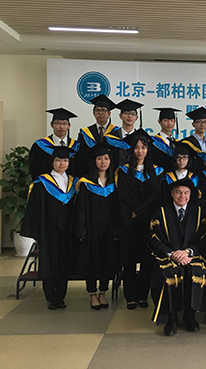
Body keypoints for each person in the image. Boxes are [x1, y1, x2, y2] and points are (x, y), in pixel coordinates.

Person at [148, 178, 206, 336]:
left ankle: (190, 315)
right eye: (178, 192)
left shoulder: (199, 213)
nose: (182, 196)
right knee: (169, 273)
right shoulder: (161, 212)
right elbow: (153, 239)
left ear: (191, 195)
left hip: (192, 255)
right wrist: (171, 253)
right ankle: (172, 318)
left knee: (195, 271)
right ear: (172, 194)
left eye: (186, 193)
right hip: (168, 255)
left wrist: (189, 252)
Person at [20, 146, 78, 310]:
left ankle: (61, 295)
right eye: (58, 160)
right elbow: (35, 209)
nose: (62, 163)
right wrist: (37, 232)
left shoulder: (74, 182)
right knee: (49, 262)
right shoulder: (42, 183)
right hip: (49, 230)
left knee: (64, 263)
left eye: (65, 160)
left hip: (67, 230)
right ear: (52, 162)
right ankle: (50, 296)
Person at [116, 129, 164, 310]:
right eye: (136, 147)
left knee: (147, 260)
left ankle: (143, 295)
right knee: (128, 260)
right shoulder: (123, 171)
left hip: (148, 222)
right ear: (131, 150)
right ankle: (130, 296)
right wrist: (136, 211)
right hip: (129, 222)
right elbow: (123, 195)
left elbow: (156, 196)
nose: (139, 151)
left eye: (143, 147)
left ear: (148, 149)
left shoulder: (157, 171)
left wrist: (141, 211)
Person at [74, 143, 119, 310]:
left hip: (108, 230)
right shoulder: (86, 183)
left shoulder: (115, 182)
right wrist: (82, 229)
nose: (103, 162)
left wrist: (116, 229)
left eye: (106, 158)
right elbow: (81, 209)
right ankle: (92, 294)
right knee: (91, 261)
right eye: (99, 158)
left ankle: (103, 293)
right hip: (91, 230)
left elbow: (117, 209)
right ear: (94, 161)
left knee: (107, 261)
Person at [29, 108, 79, 180]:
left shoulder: (76, 146)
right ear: (52, 125)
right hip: (46, 187)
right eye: (57, 123)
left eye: (64, 123)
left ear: (69, 125)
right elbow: (34, 169)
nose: (61, 126)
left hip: (71, 187)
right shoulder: (40, 146)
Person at [77, 94, 119, 177]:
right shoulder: (85, 133)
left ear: (109, 113)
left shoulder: (117, 132)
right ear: (93, 113)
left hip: (111, 174)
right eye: (97, 110)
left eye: (103, 110)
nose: (100, 113)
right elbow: (80, 156)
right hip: (89, 173)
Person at [104, 99, 144, 170]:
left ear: (136, 118)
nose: (129, 116)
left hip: (136, 176)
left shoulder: (141, 138)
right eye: (126, 113)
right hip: (115, 176)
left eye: (132, 114)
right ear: (120, 116)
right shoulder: (111, 138)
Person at [180, 107, 206, 174]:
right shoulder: (185, 144)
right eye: (199, 122)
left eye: (205, 122)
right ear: (193, 124)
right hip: (192, 178)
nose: (202, 124)